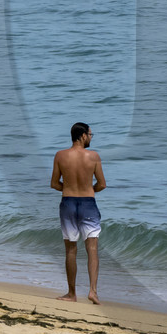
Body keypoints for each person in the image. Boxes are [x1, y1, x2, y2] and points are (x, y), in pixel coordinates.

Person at [51, 121, 105, 303]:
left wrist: (69, 188)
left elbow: (54, 183)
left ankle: (72, 294)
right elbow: (102, 184)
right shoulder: (94, 156)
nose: (90, 137)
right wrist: (88, 190)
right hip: (88, 204)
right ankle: (93, 292)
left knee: (71, 250)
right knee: (92, 248)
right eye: (90, 134)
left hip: (67, 203)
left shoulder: (60, 155)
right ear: (82, 135)